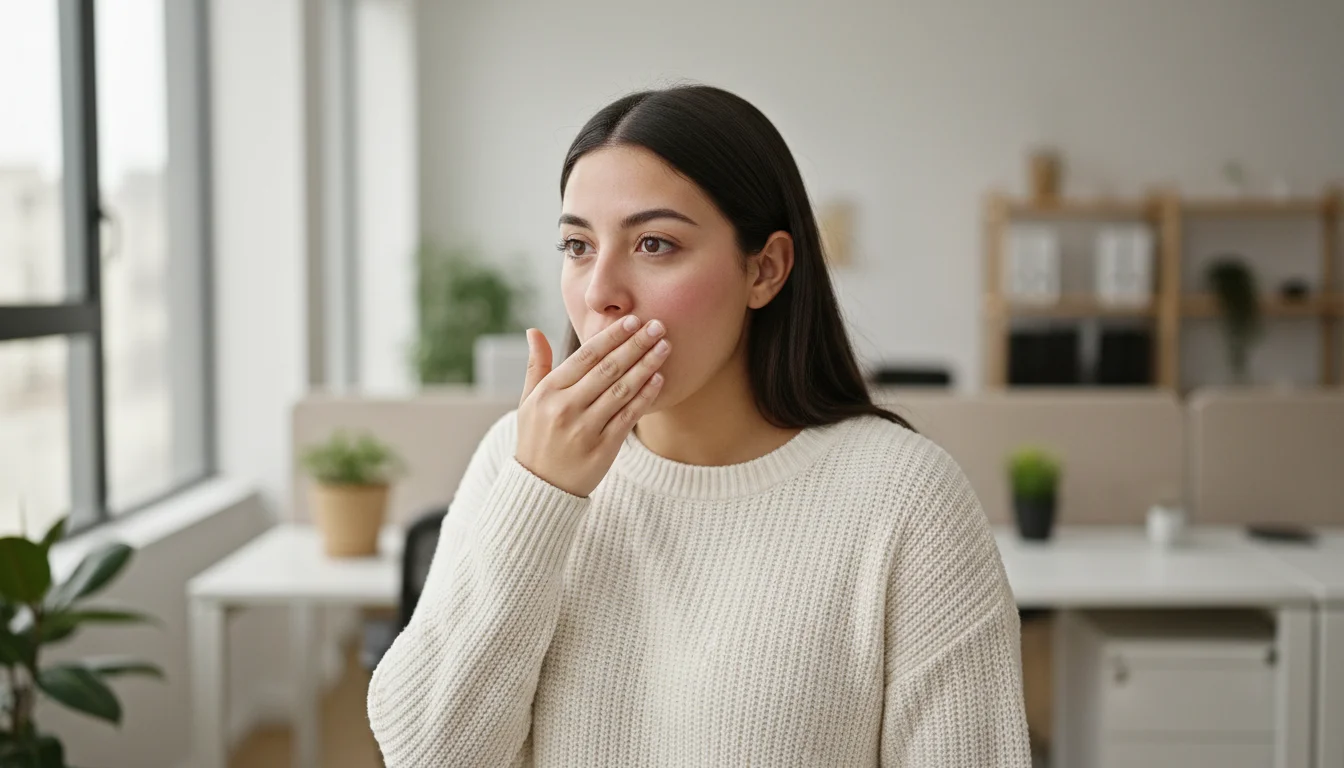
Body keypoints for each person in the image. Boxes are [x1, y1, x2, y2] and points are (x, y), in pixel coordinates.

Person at [367, 84, 1030, 767]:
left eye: (654, 244)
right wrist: (539, 495)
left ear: (764, 270)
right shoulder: (516, 458)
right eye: (576, 245)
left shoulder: (906, 499)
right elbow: (430, 756)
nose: (599, 293)